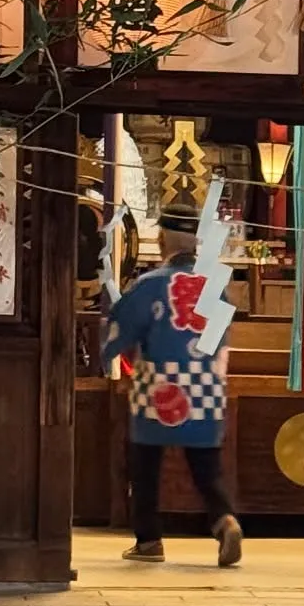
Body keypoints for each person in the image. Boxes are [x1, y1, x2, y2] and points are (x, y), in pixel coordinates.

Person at [104, 205, 243, 567]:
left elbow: (120, 329)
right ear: (196, 243)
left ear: (162, 239)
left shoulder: (150, 285)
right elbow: (219, 340)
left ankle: (149, 540)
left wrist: (108, 357)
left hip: (158, 384)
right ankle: (224, 520)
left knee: (145, 464)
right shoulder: (217, 289)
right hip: (206, 386)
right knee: (205, 467)